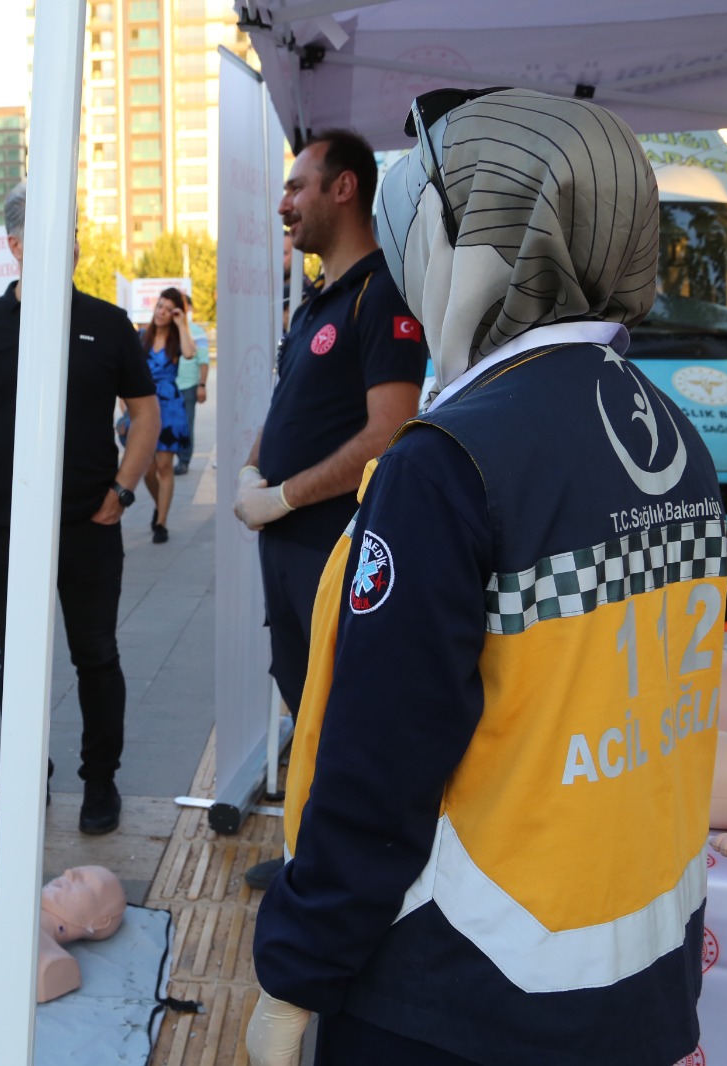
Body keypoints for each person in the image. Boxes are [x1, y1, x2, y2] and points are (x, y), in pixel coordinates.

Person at [247, 88, 721, 1066]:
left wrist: (295, 973)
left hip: (460, 990)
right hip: (636, 976)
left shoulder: (450, 461)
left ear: (475, 248)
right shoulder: (671, 432)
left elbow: (377, 770)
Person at [236, 130, 429, 890]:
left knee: (342, 713)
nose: (284, 205)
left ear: (342, 189)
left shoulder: (383, 294)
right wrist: (254, 464)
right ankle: (312, 860)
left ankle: (347, 875)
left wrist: (285, 494)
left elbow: (390, 430)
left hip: (333, 548)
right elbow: (292, 406)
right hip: (288, 548)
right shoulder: (318, 296)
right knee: (301, 696)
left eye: (296, 187)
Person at [0, 182, 159, 835]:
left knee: (95, 654)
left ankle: (101, 781)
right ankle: (26, 777)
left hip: (87, 526)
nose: (66, 246)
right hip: (8, 528)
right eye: (48, 234)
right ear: (14, 245)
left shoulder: (105, 322)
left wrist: (123, 490)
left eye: (70, 233)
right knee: (19, 661)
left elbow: (145, 412)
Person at [135, 288, 194, 543]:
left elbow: (190, 353)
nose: (162, 312)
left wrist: (182, 324)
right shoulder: (140, 337)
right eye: (160, 306)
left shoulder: (176, 339)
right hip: (145, 405)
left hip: (170, 407)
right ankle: (161, 504)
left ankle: (161, 523)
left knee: (164, 465)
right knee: (147, 469)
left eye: (169, 309)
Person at [174, 292, 208, 475]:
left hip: (188, 387)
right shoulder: (168, 331)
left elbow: (203, 361)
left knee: (186, 424)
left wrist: (201, 385)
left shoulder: (196, 332)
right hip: (169, 388)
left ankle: (184, 460)